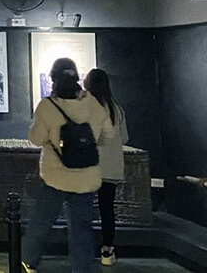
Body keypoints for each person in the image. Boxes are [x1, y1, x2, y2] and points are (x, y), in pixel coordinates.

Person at [22, 58, 116, 273]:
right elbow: (109, 134)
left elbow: (36, 139)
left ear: (53, 79)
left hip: (56, 176)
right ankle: (81, 269)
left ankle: (28, 261)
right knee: (82, 229)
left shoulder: (48, 106)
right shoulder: (92, 103)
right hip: (86, 177)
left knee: (40, 223)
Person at [84, 68, 129, 266]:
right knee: (107, 210)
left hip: (89, 168)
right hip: (111, 169)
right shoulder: (116, 109)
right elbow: (125, 138)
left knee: (83, 209)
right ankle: (107, 252)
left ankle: (82, 249)